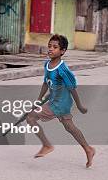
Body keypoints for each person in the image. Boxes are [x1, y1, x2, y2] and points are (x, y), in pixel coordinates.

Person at [26, 34, 95, 168]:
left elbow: (72, 88)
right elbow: (46, 82)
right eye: (49, 46)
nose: (51, 49)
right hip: (54, 100)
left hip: (61, 103)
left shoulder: (63, 70)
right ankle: (88, 149)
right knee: (70, 127)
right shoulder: (48, 64)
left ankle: (47, 145)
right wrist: (39, 99)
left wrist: (80, 105)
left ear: (62, 51)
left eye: (55, 47)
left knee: (30, 117)